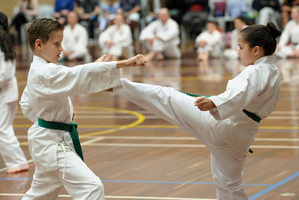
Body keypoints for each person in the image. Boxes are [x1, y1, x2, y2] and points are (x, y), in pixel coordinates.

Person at [111, 22, 281, 200]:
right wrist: (216, 101)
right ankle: (116, 85)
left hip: (220, 125)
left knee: (165, 96)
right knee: (230, 185)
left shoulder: (254, 72)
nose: (238, 52)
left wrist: (214, 102)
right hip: (241, 137)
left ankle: (115, 85)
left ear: (256, 50)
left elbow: (238, 94)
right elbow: (243, 96)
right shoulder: (273, 71)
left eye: (240, 47)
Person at [20, 18, 146, 200]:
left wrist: (49, 120)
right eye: (56, 44)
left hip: (47, 140)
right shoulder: (44, 73)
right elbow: (75, 75)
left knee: (39, 195)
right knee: (92, 188)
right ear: (39, 44)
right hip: (51, 145)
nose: (61, 48)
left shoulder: (39, 71)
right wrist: (122, 63)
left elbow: (27, 104)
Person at [0, 12, 29, 174]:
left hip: (4, 92)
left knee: (2, 129)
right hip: (6, 91)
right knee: (4, 128)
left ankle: (17, 162)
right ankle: (17, 161)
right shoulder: (4, 43)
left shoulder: (2, 44)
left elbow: (5, 74)